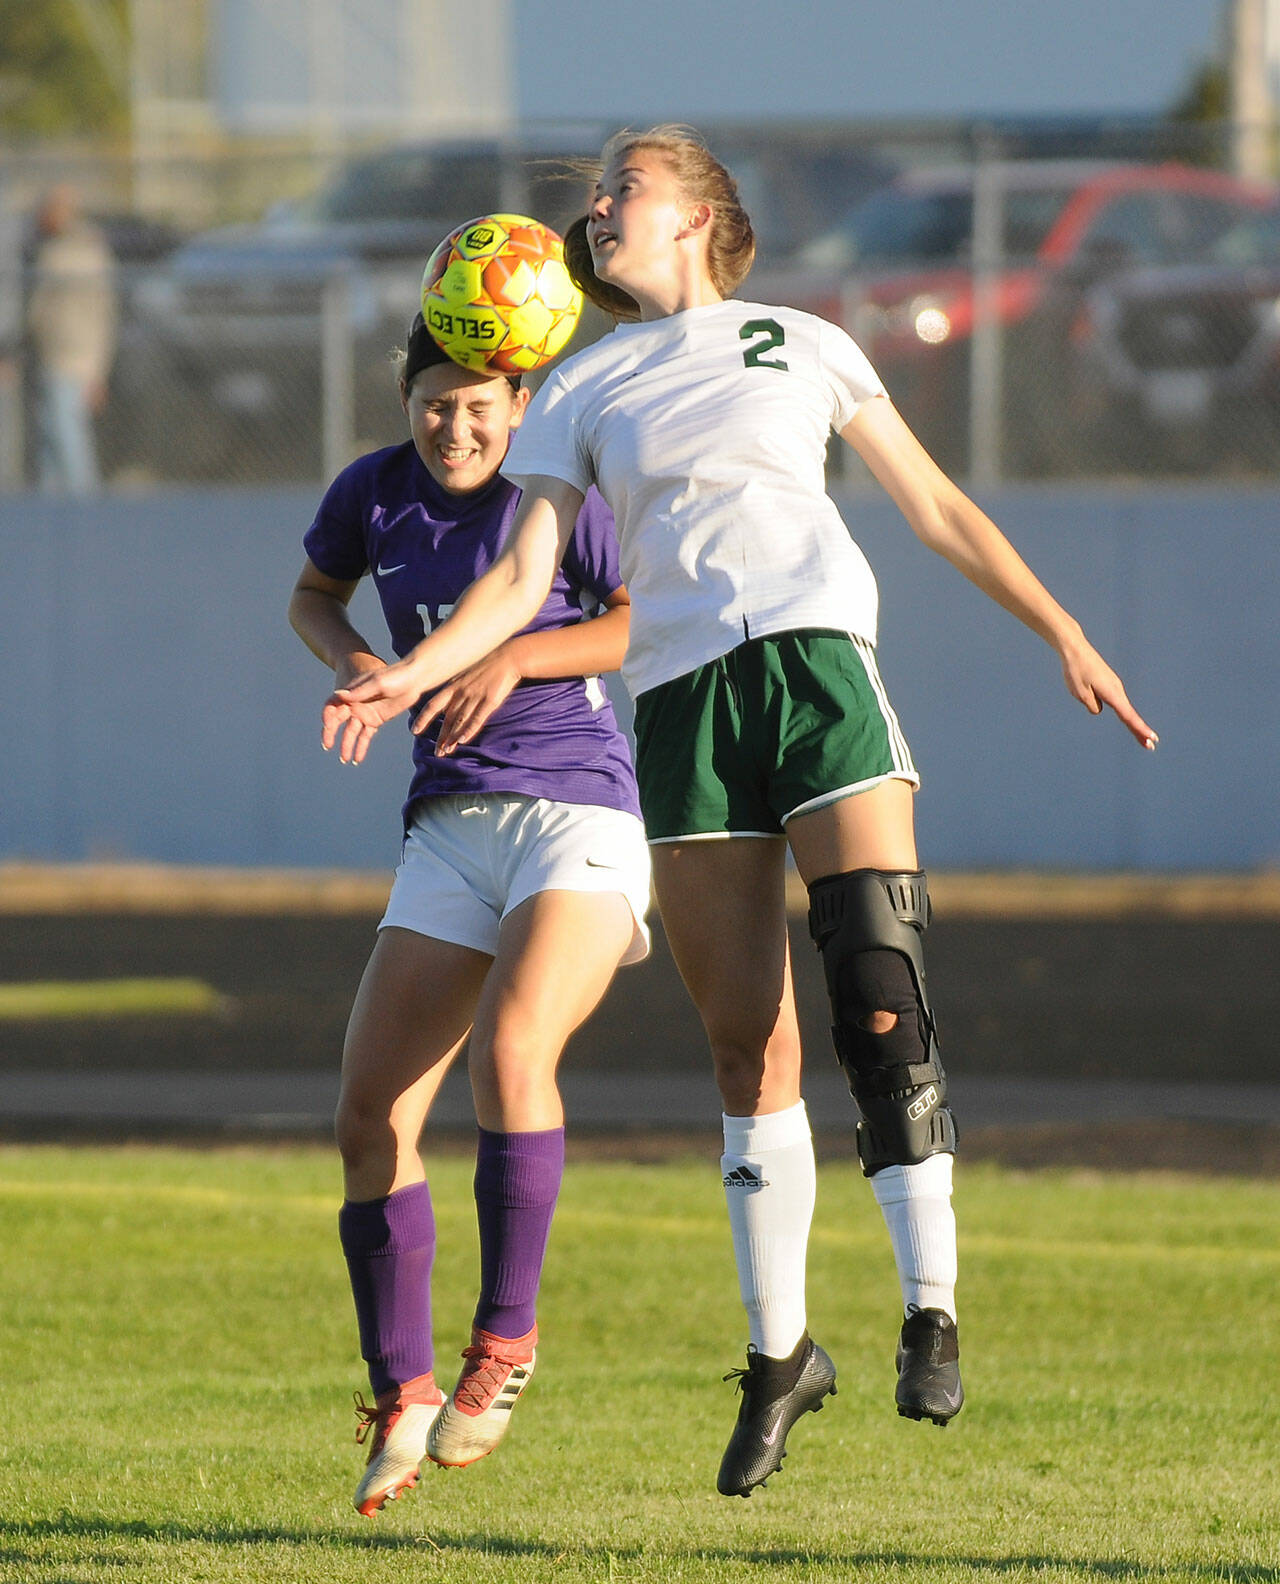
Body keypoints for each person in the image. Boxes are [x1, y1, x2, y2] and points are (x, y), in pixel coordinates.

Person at [324, 128, 1158, 1499]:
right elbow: (521, 580)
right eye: (594, 197)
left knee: (879, 979)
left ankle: (929, 1309)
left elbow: (934, 505)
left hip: (820, 664)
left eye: (626, 189)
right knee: (741, 1044)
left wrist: (1063, 629)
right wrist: (406, 672)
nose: (599, 212)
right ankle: (782, 1358)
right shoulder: (578, 388)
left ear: (701, 215)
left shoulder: (803, 341)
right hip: (682, 708)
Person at [289, 312, 651, 1517]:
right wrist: (354, 659)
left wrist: (512, 659)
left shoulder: (560, 493)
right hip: (449, 825)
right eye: (436, 403)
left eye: (482, 404)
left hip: (577, 814)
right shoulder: (373, 492)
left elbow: (641, 618)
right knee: (366, 1117)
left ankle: (504, 1345)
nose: (457, 425)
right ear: (409, 403)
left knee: (513, 1049)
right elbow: (310, 594)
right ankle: (400, 1391)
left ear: (521, 407)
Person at [26, 183, 116, 493]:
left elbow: (101, 315)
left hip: (75, 356)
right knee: (50, 433)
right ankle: (50, 505)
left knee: (68, 432)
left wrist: (97, 371)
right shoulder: (52, 248)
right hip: (52, 354)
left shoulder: (80, 250)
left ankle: (84, 500)